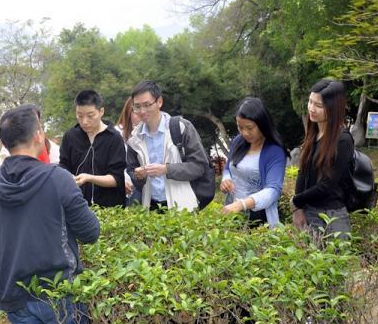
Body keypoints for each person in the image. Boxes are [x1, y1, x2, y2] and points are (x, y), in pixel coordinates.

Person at [0, 104, 100, 324]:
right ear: (38, 136)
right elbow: (90, 232)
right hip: (60, 293)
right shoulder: (59, 180)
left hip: (14, 292)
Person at [126, 80, 209, 211]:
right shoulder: (134, 138)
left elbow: (199, 166)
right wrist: (138, 175)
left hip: (182, 206)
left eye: (147, 105)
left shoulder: (181, 127)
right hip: (150, 207)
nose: (142, 111)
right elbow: (132, 172)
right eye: (137, 107)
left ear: (159, 102)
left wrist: (166, 169)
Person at [291, 80, 354, 238]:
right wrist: (297, 208)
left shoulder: (343, 140)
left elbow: (327, 185)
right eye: (310, 102)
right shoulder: (314, 132)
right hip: (308, 211)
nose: (311, 108)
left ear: (333, 108)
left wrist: (296, 201)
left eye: (318, 105)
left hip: (331, 218)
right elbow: (303, 172)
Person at [220, 97, 289, 228]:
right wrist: (226, 179)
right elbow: (228, 167)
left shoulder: (274, 151)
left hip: (259, 217)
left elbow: (273, 190)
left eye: (250, 128)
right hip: (234, 213)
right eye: (240, 127)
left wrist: (243, 204)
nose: (245, 133)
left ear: (262, 124)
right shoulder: (238, 141)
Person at [59, 90, 126, 207]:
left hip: (110, 208)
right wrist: (67, 175)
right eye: (80, 116)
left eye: (90, 116)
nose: (84, 122)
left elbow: (116, 179)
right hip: (77, 205)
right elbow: (64, 165)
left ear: (101, 112)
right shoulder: (70, 136)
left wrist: (89, 178)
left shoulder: (114, 138)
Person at [116, 97, 141, 205]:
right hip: (124, 189)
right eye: (135, 111)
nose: (140, 115)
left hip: (146, 189)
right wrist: (120, 181)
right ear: (128, 113)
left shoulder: (150, 133)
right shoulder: (116, 134)